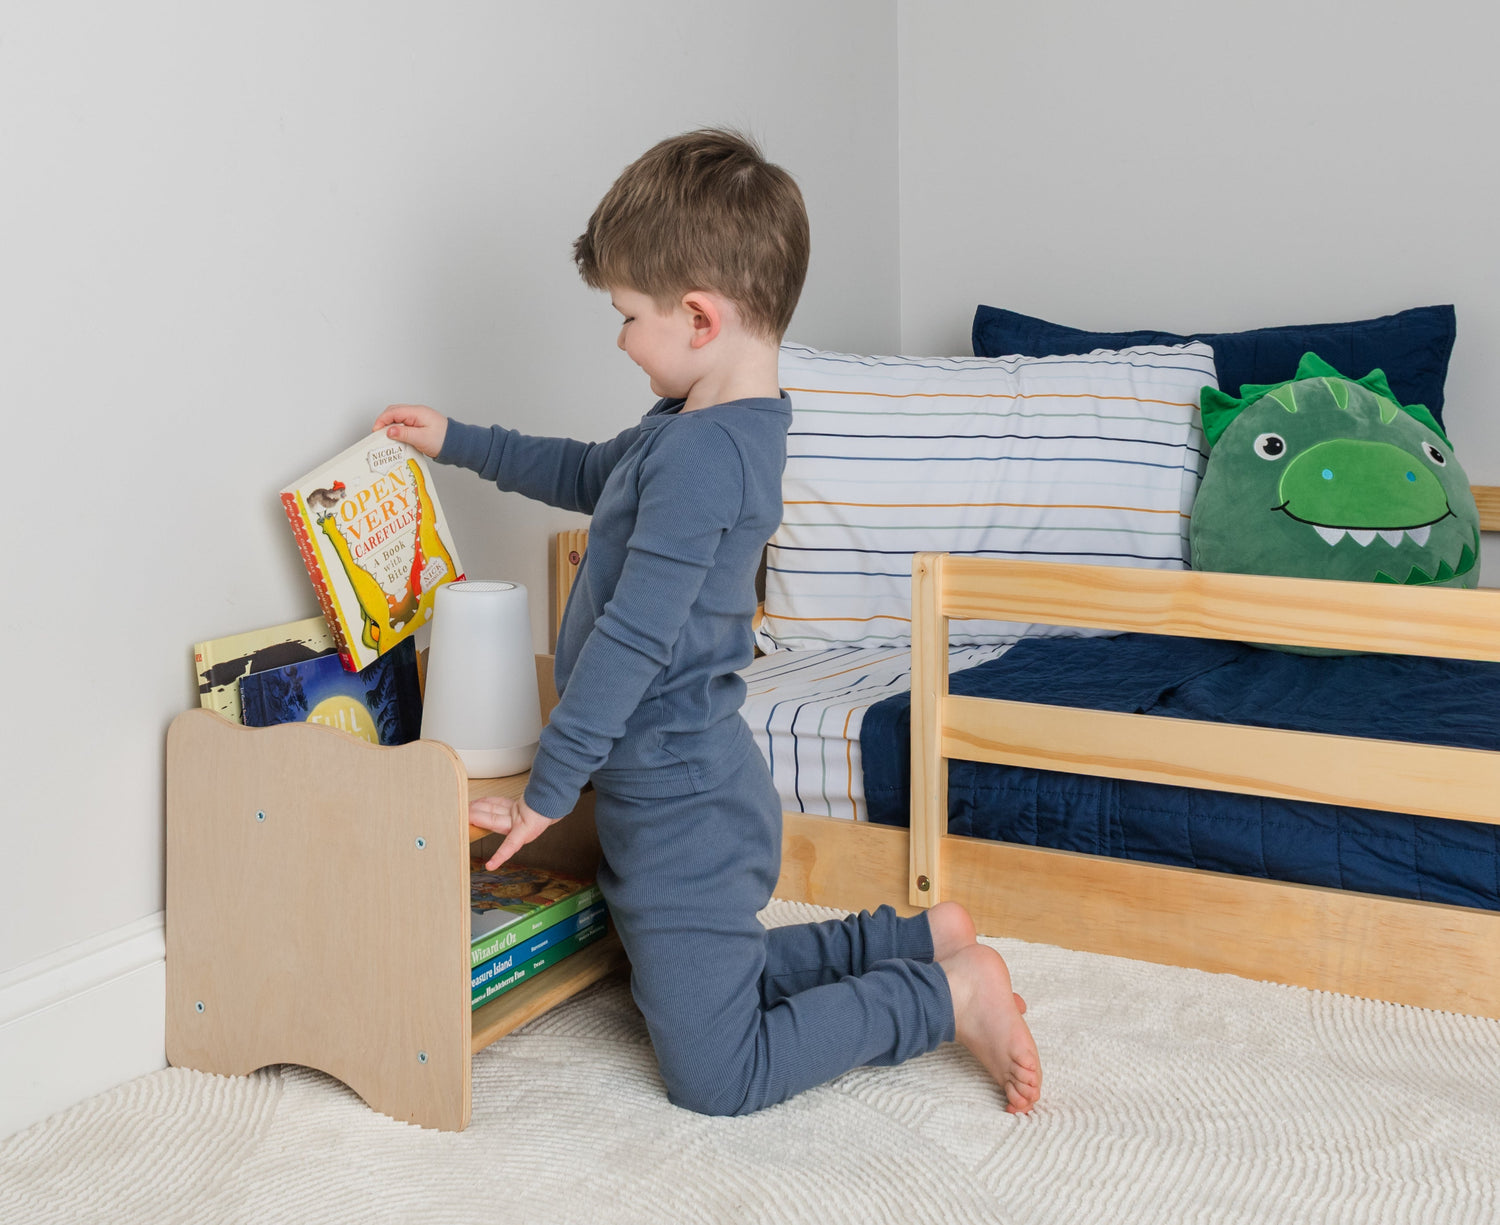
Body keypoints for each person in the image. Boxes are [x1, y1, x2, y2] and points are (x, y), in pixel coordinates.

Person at [373, 128, 1041, 1117]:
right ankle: (915, 937)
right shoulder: (700, 431)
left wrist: (546, 795)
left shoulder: (700, 456)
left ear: (697, 316)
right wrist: (457, 441)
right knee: (717, 978)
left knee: (719, 1073)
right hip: (691, 780)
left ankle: (946, 991)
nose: (619, 337)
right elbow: (581, 473)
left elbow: (631, 641)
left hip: (681, 805)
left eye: (627, 315)